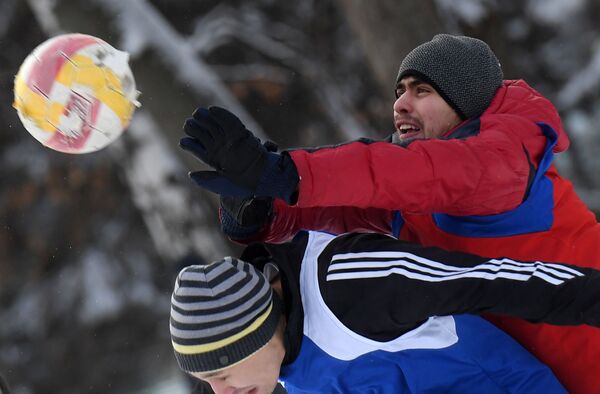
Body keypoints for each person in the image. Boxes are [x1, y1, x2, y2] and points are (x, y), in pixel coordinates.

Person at [179, 34, 600, 393]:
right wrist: (263, 206)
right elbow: (340, 204)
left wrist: (286, 173)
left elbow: (404, 173)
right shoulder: (412, 192)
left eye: (422, 91)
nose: (400, 104)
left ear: (467, 104)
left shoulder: (502, 162)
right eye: (399, 91)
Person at [169, 230, 600, 393]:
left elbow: (489, 279)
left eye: (220, 375)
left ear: (253, 335)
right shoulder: (283, 360)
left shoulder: (349, 285)